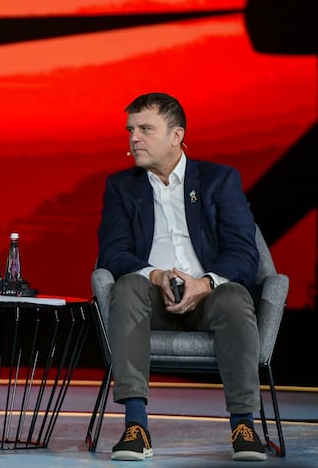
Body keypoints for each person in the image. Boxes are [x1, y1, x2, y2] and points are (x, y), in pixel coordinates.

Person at [97, 92, 266, 462]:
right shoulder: (121, 187)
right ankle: (135, 426)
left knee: (235, 296)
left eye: (145, 129)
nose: (134, 138)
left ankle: (244, 424)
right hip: (151, 297)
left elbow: (244, 252)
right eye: (130, 130)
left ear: (176, 135)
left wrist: (204, 284)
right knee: (126, 287)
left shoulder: (219, 180)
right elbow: (113, 253)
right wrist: (155, 276)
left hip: (209, 298)